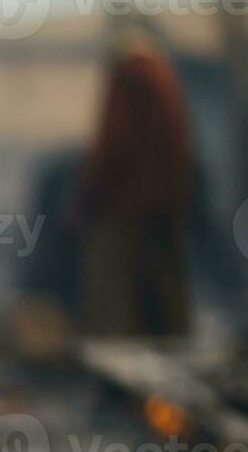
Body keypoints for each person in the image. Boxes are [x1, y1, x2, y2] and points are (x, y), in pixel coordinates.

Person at [74, 26, 194, 336]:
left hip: (125, 205)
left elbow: (116, 142)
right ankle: (176, 350)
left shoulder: (130, 77)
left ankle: (116, 357)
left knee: (114, 292)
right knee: (166, 289)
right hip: (166, 203)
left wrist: (89, 196)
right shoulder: (165, 77)